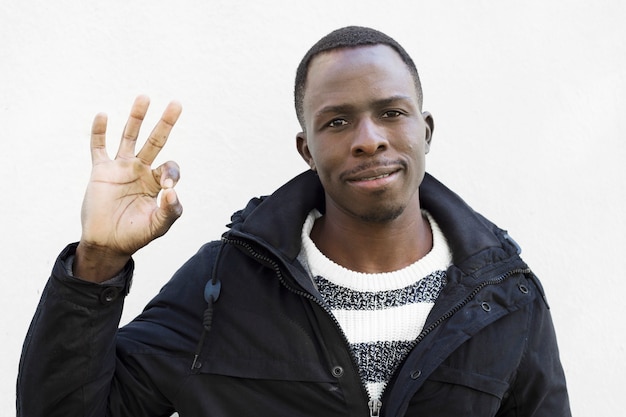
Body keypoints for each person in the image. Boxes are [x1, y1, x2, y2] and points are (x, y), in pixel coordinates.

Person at [17, 26, 571, 417]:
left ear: (425, 130)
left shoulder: (503, 296)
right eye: (338, 121)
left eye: (391, 113)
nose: (369, 138)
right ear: (307, 148)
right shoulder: (223, 285)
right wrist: (98, 261)